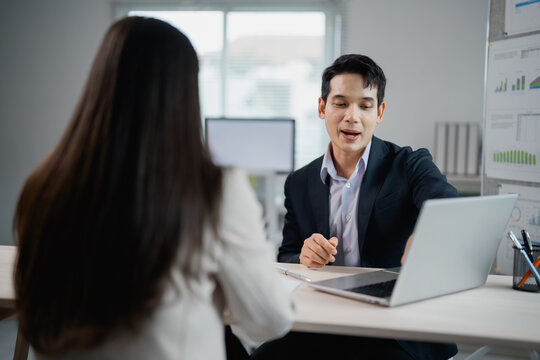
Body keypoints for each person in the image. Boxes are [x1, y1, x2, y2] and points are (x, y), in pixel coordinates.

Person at [13, 17, 294, 360]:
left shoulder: (43, 185)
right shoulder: (213, 189)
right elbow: (271, 320)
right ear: (185, 95)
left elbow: (33, 309)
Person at [252, 54, 458, 359]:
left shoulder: (410, 164)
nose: (352, 117)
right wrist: (304, 255)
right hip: (322, 322)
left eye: (365, 105)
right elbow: (287, 256)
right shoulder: (299, 182)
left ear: (380, 112)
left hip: (393, 329)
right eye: (340, 103)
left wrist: (429, 234)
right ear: (322, 108)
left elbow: (447, 204)